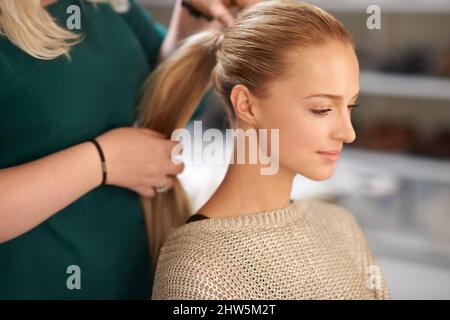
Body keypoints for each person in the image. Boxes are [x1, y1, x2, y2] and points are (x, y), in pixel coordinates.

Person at [0, 0, 259, 299]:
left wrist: (194, 15)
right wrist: (101, 162)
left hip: (131, 275)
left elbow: (158, 97)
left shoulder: (107, 6)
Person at [137, 0, 391, 299]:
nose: (348, 133)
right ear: (246, 105)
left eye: (350, 106)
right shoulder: (200, 268)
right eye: (322, 109)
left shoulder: (342, 226)